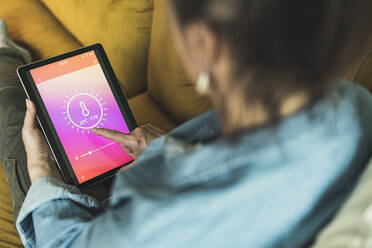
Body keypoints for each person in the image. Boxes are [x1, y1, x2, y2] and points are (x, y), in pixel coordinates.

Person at [0, 0, 371, 247]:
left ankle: (4, 60)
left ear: (203, 43)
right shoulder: (354, 107)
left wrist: (41, 170)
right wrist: (167, 150)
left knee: (24, 134)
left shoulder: (153, 216)